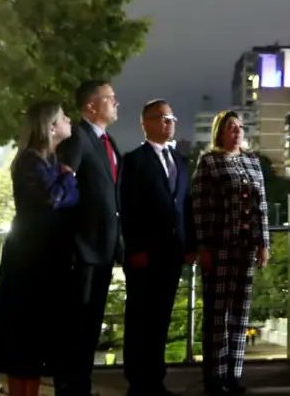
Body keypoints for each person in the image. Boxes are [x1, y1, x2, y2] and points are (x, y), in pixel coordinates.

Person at [0, 102, 79, 396]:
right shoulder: (30, 161)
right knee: (23, 337)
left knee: (36, 339)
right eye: (64, 118)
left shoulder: (50, 161)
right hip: (28, 260)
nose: (69, 121)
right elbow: (53, 199)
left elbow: (66, 200)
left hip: (45, 258)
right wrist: (68, 177)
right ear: (51, 127)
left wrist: (65, 180)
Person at [119, 99, 195, 396]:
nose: (169, 122)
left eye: (171, 118)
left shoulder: (182, 162)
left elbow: (185, 206)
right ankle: (137, 381)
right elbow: (127, 208)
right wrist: (134, 248)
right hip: (144, 253)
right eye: (162, 118)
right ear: (146, 123)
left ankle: (156, 378)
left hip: (173, 252)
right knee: (140, 317)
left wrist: (191, 246)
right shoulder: (134, 160)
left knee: (161, 317)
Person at [192, 110, 269, 396]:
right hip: (219, 246)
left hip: (246, 247)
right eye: (230, 127)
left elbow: (262, 205)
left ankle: (234, 375)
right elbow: (199, 207)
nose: (236, 131)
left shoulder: (252, 162)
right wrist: (203, 247)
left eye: (239, 127)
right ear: (219, 132)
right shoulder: (209, 162)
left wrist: (264, 244)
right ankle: (214, 376)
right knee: (217, 314)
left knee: (240, 312)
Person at [54, 79, 123, 396]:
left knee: (91, 323)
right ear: (91, 106)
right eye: (110, 98)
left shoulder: (109, 142)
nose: (116, 102)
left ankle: (80, 383)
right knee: (75, 325)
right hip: (81, 250)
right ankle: (69, 386)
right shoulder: (78, 138)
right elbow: (63, 189)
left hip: (104, 250)